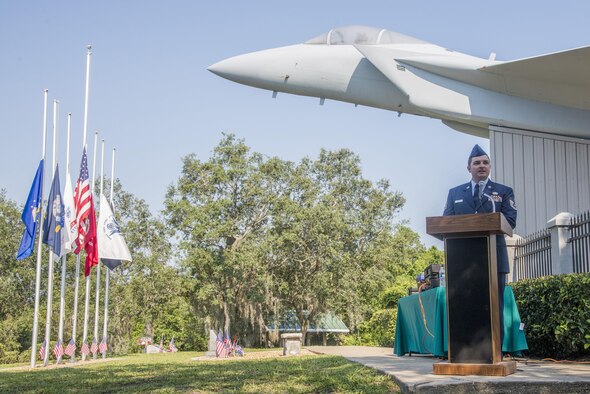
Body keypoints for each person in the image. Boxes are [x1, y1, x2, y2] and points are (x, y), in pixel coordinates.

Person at [443, 144, 517, 351]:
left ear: (490, 167)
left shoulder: (503, 192)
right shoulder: (455, 193)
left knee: (494, 307)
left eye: (485, 162)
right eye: (477, 163)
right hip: (463, 263)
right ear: (469, 168)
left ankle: (495, 353)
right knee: (465, 307)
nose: (481, 166)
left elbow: (510, 222)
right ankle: (465, 352)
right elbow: (446, 222)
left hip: (494, 259)